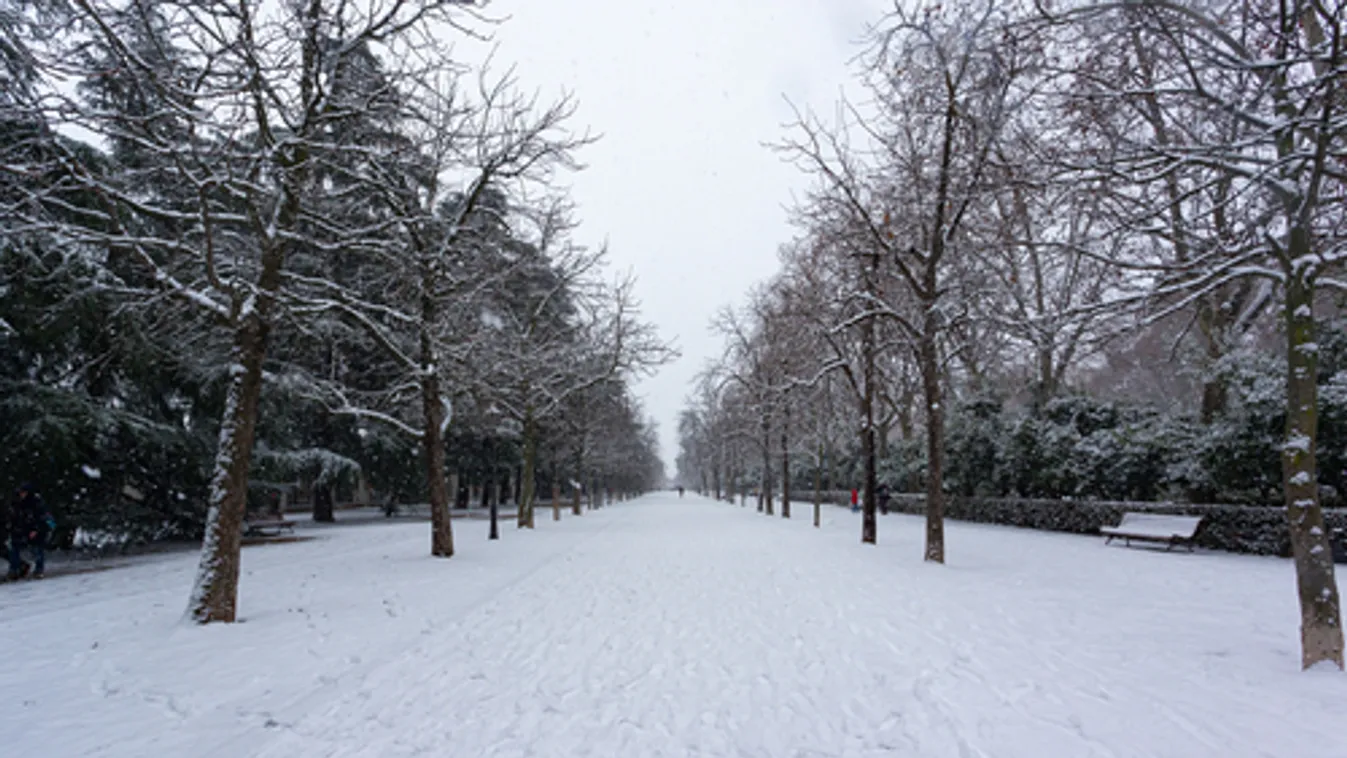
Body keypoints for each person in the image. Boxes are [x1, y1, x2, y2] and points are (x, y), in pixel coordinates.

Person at [8, 483, 53, 580]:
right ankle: (14, 569)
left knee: (37, 550)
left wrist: (36, 529)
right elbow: (15, 517)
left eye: (23, 492)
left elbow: (42, 517)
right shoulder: (18, 503)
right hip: (23, 529)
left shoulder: (36, 503)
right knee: (15, 548)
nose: (21, 494)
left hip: (36, 530)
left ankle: (38, 570)